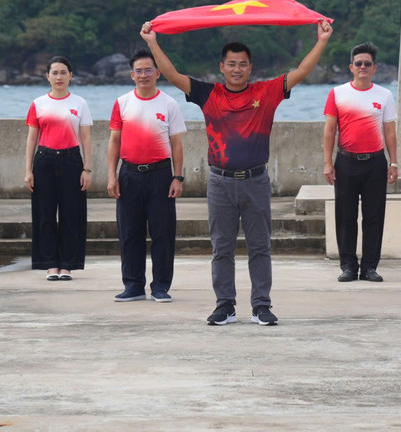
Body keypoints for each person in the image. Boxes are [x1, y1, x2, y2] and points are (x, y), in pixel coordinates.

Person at [141, 19, 333, 326]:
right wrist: (152, 41)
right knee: (222, 248)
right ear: (222, 67)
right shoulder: (208, 93)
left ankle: (261, 305)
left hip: (256, 181)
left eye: (242, 64)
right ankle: (225, 305)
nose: (237, 69)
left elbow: (299, 73)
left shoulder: (266, 92)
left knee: (260, 247)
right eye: (231, 64)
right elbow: (174, 76)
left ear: (250, 67)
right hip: (220, 182)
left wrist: (321, 41)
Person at [107, 49, 185, 303]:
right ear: (132, 75)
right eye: (138, 71)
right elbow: (114, 141)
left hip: (160, 175)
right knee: (130, 232)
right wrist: (112, 175)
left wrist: (178, 177)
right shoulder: (122, 102)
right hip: (129, 174)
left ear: (157, 73)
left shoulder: (169, 103)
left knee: (163, 234)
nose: (143, 75)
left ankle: (161, 286)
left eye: (148, 70)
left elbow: (176, 144)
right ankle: (133, 285)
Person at [322, 42, 398, 283]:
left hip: (375, 163)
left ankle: (369, 267)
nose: (363, 67)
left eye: (367, 64)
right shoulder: (338, 93)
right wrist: (327, 163)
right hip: (346, 162)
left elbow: (390, 132)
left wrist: (393, 163)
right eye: (359, 64)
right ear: (351, 67)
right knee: (346, 216)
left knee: (374, 216)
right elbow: (330, 130)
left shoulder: (384, 95)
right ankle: (348, 266)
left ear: (374, 68)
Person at [24, 56, 92, 282]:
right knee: (44, 214)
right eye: (55, 72)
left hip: (72, 160)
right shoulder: (39, 103)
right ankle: (50, 263)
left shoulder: (79, 103)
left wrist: (87, 169)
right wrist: (28, 170)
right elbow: (31, 138)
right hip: (44, 160)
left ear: (71, 75)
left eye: (64, 72)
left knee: (72, 214)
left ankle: (68, 265)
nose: (59, 77)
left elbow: (86, 138)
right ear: (47, 76)